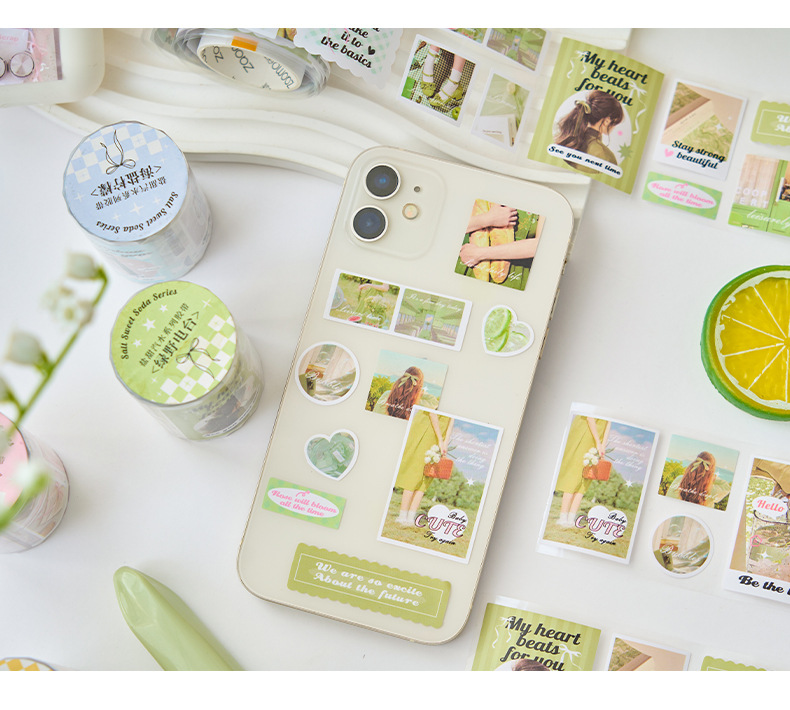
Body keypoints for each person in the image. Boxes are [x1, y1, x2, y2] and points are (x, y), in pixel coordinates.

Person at [394, 410, 453, 525]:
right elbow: (432, 414)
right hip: (427, 430)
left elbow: (451, 421)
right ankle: (404, 516)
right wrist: (442, 440)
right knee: (416, 473)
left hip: (436, 435)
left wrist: (445, 442)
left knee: (425, 476)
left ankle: (408, 517)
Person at [555, 415, 611, 527]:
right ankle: (569, 518)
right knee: (582, 479)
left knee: (576, 477)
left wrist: (600, 444)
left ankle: (565, 518)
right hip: (590, 436)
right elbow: (603, 421)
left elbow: (593, 419)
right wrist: (601, 444)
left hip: (588, 436)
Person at [554, 89, 624, 173]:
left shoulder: (566, 138)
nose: (614, 127)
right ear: (607, 121)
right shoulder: (606, 155)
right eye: (615, 123)